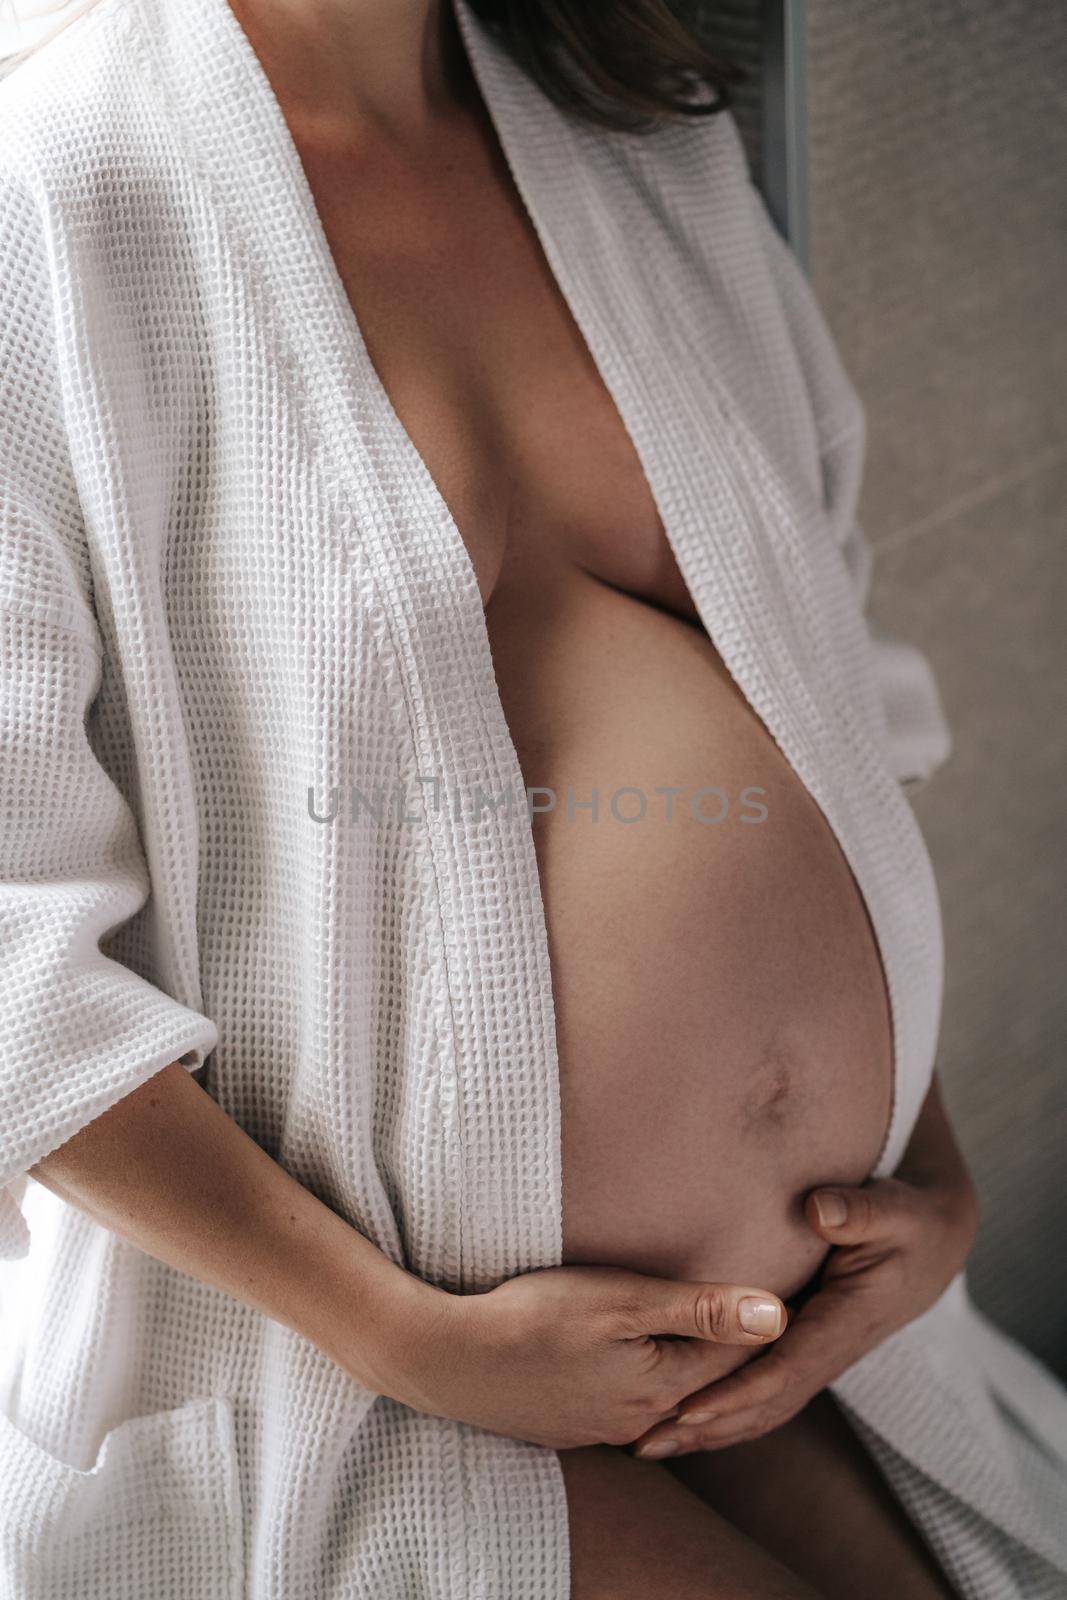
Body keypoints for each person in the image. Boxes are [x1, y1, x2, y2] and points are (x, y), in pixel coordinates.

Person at [1, 0, 1065, 1595]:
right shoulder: (50, 194)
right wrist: (405, 1337)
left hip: (794, 1322)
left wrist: (924, 1157)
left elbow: (830, 677)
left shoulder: (641, 125)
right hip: (359, 1365)